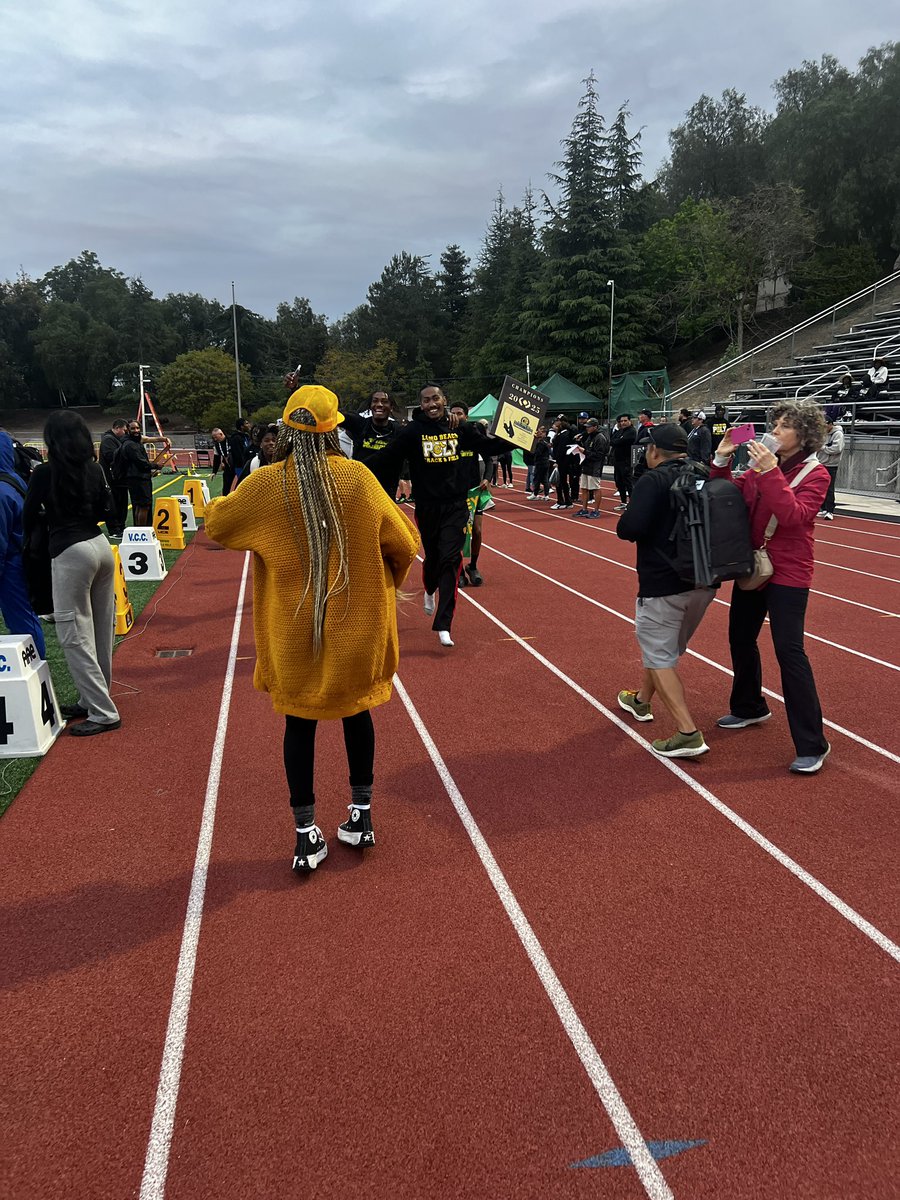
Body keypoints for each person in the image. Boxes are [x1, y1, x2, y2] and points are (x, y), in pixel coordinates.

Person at [204, 385, 419, 874]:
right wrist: (387, 582)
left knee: (298, 723)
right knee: (357, 711)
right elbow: (405, 543)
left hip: (293, 628)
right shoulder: (359, 480)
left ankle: (305, 834)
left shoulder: (267, 486)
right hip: (357, 625)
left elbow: (217, 523)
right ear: (334, 429)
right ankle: (361, 815)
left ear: (286, 429)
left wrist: (245, 483)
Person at [711, 401, 831, 774]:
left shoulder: (817, 474)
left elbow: (794, 516)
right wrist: (721, 459)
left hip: (789, 573)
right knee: (740, 637)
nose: (774, 431)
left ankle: (813, 742)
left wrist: (769, 472)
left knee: (789, 651)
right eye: (774, 425)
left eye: (783, 426)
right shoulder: (759, 469)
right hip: (753, 566)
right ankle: (749, 706)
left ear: (804, 435)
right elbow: (725, 497)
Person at [368, 383, 512, 647]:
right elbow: (387, 457)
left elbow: (489, 448)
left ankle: (444, 624)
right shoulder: (413, 432)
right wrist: (353, 468)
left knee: (450, 559)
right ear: (420, 405)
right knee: (433, 559)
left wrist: (520, 438)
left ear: (444, 400)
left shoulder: (460, 428)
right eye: (425, 400)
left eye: (435, 398)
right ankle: (429, 589)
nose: (431, 404)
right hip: (427, 507)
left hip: (457, 505)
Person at [615, 422, 716, 758]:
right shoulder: (705, 475)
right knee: (663, 651)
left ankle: (687, 732)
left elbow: (628, 528)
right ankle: (641, 702)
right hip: (705, 581)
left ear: (654, 450)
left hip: (663, 582)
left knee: (660, 656)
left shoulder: (653, 479)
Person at [22, 412, 120, 736]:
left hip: (69, 550)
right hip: (100, 545)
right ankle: (93, 696)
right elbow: (108, 509)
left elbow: (29, 514)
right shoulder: (94, 468)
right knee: (102, 630)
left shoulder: (44, 473)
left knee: (74, 634)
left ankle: (103, 711)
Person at [0, 432, 46, 658]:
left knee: (21, 622)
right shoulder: (13, 479)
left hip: (10, 564)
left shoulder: (1, 490)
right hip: (21, 557)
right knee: (23, 618)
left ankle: (36, 668)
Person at [449, 401, 490, 586]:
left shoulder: (474, 433)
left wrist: (487, 478)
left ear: (466, 416)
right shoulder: (446, 434)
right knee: (458, 532)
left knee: (477, 531)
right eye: (453, 413)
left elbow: (489, 458)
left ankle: (472, 566)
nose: (456, 416)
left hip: (474, 490)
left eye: (460, 413)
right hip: (455, 492)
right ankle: (458, 570)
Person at [340, 390, 404, 497]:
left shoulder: (399, 431)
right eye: (375, 401)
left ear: (391, 407)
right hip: (360, 491)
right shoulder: (360, 424)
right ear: (370, 406)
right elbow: (336, 416)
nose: (379, 404)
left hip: (386, 495)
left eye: (384, 401)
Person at [116, 420, 170, 527]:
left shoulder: (133, 441)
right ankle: (142, 531)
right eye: (133, 428)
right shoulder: (130, 445)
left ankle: (140, 530)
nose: (136, 430)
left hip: (137, 478)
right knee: (143, 506)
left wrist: (164, 438)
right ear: (128, 430)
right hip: (138, 479)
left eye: (137, 428)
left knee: (139, 506)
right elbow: (141, 463)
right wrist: (156, 466)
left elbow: (147, 439)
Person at [98, 419, 129, 538]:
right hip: (111, 478)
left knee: (121, 502)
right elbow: (111, 456)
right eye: (124, 430)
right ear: (117, 428)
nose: (126, 433)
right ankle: (114, 529)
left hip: (119, 478)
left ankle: (120, 526)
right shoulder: (108, 440)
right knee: (114, 503)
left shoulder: (116, 439)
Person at [575, 418, 607, 518]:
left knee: (595, 488)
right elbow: (586, 449)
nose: (587, 429)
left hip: (594, 467)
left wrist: (584, 451)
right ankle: (584, 509)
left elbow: (599, 455)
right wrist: (580, 445)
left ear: (595, 427)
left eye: (589, 427)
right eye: (587, 427)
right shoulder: (589, 437)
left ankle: (596, 510)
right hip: (586, 465)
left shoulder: (600, 438)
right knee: (584, 488)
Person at [816, 418, 844, 520]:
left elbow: (836, 449)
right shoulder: (823, 433)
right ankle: (823, 508)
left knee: (829, 488)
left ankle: (830, 510)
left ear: (830, 424)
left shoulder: (837, 434)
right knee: (820, 487)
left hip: (831, 464)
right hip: (821, 462)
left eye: (824, 426)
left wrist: (823, 448)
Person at [609, 413, 636, 510]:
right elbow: (612, 440)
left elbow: (620, 441)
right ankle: (623, 502)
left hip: (626, 460)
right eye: (621, 421)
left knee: (627, 481)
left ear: (630, 421)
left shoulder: (632, 431)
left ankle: (632, 503)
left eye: (625, 421)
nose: (623, 423)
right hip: (617, 460)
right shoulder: (620, 431)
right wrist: (618, 440)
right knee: (619, 481)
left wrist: (618, 441)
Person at [550, 417, 575, 509]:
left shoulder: (565, 435)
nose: (555, 424)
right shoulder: (561, 434)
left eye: (557, 422)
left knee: (560, 482)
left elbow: (561, 450)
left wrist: (557, 461)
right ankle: (567, 501)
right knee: (562, 482)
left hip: (563, 462)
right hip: (562, 461)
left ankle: (562, 501)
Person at [526, 427, 552, 500]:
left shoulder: (541, 443)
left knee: (537, 479)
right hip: (545, 462)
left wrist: (532, 452)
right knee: (544, 479)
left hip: (540, 462)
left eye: (540, 432)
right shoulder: (545, 442)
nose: (538, 433)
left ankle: (535, 494)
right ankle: (546, 495)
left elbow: (538, 453)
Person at [632, 408, 655, 483]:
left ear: (646, 416)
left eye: (641, 414)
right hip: (638, 456)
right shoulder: (642, 428)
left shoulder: (649, 428)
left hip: (643, 459)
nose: (639, 416)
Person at [228, 419, 253, 484]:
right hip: (241, 466)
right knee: (244, 484)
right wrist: (244, 465)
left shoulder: (247, 436)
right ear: (242, 426)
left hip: (249, 465)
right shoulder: (236, 438)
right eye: (246, 423)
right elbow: (238, 454)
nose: (249, 425)